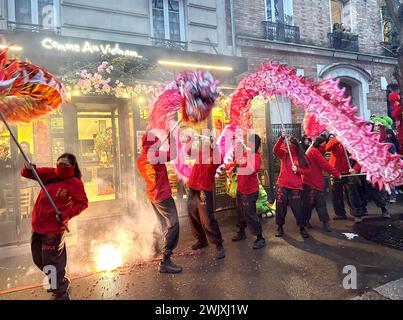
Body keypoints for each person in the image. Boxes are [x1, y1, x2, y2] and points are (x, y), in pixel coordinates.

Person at [21, 153, 88, 300]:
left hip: (54, 229)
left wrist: (65, 214)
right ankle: (59, 281)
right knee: (38, 259)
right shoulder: (49, 173)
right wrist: (28, 168)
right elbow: (28, 173)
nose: (62, 165)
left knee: (51, 262)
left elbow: (83, 203)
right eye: (60, 162)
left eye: (66, 163)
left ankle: (61, 293)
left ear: (72, 166)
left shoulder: (74, 183)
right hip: (37, 225)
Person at [136, 131, 182, 273]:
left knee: (162, 223)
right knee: (173, 225)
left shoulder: (141, 158)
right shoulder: (155, 156)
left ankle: (154, 248)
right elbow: (173, 154)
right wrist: (172, 138)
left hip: (153, 195)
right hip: (163, 196)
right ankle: (165, 260)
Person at [187, 135, 225, 259]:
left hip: (204, 189)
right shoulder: (200, 152)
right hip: (193, 187)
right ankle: (201, 239)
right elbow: (188, 151)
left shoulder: (214, 156)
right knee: (193, 215)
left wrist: (214, 146)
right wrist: (189, 139)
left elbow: (219, 160)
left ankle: (218, 244)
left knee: (207, 219)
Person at [273, 131, 310, 239]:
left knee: (298, 209)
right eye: (286, 142)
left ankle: (302, 228)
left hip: (295, 187)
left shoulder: (301, 156)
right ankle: (280, 227)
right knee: (280, 208)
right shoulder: (283, 154)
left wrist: (298, 169)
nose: (287, 143)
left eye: (289, 142)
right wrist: (281, 137)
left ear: (294, 145)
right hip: (282, 185)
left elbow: (308, 170)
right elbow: (275, 149)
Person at [232, 134, 266, 250]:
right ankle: (241, 232)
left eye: (249, 142)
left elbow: (252, 170)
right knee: (240, 212)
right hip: (241, 188)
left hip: (250, 191)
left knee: (250, 214)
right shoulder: (247, 154)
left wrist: (239, 169)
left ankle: (260, 238)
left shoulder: (255, 157)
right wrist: (232, 165)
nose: (247, 143)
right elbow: (239, 161)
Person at [302, 136, 341, 232]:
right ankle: (306, 220)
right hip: (310, 183)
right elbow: (325, 164)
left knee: (320, 203)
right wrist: (336, 173)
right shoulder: (314, 151)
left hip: (314, 182)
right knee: (309, 204)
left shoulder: (315, 151)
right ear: (320, 143)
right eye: (324, 143)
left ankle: (325, 222)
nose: (325, 146)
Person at [325, 135, 365, 223]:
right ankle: (340, 213)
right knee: (336, 194)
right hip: (336, 172)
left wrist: (355, 168)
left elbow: (360, 157)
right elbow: (327, 148)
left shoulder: (353, 143)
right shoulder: (336, 140)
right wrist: (337, 138)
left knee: (352, 194)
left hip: (349, 172)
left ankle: (357, 214)